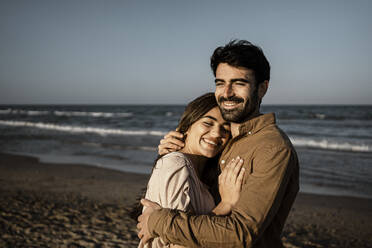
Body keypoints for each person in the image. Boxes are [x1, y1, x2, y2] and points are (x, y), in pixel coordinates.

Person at [137, 40, 299, 248]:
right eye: (220, 83)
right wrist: (178, 152)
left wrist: (158, 221)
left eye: (239, 83)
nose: (227, 92)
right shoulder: (229, 138)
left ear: (262, 88)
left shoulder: (272, 149)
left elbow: (240, 234)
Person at [139, 93, 246, 248]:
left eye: (225, 128)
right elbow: (178, 240)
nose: (217, 134)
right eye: (208, 123)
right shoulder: (176, 163)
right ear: (188, 125)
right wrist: (226, 205)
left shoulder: (199, 172)